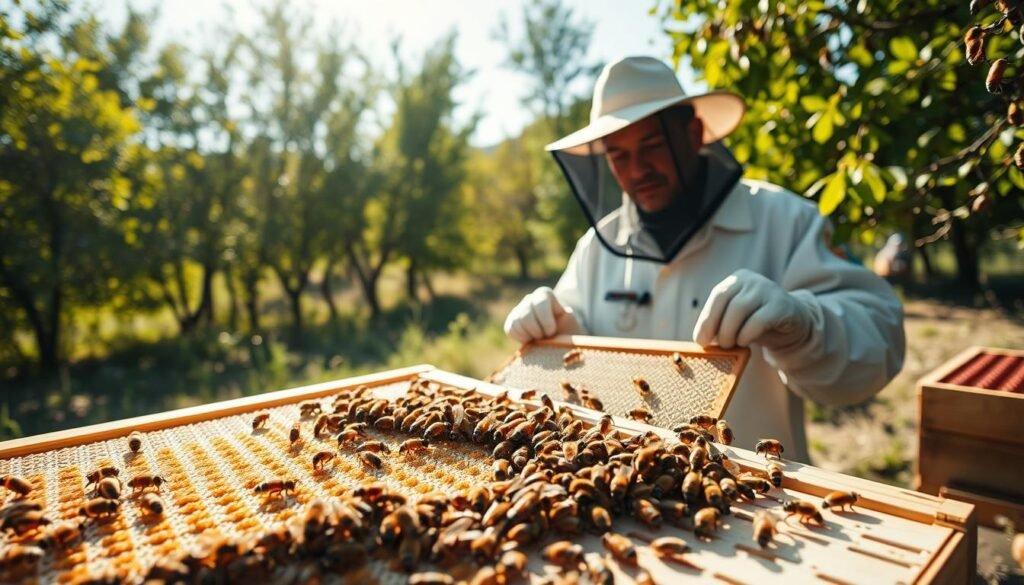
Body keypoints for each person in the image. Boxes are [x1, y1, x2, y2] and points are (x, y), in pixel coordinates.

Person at [503, 56, 905, 462]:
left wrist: (806, 325)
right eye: (618, 156)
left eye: (653, 146)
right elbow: (578, 369)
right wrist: (555, 326)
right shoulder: (597, 246)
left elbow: (881, 344)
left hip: (755, 507)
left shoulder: (786, 221)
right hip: (623, 499)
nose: (637, 169)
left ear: (693, 134)